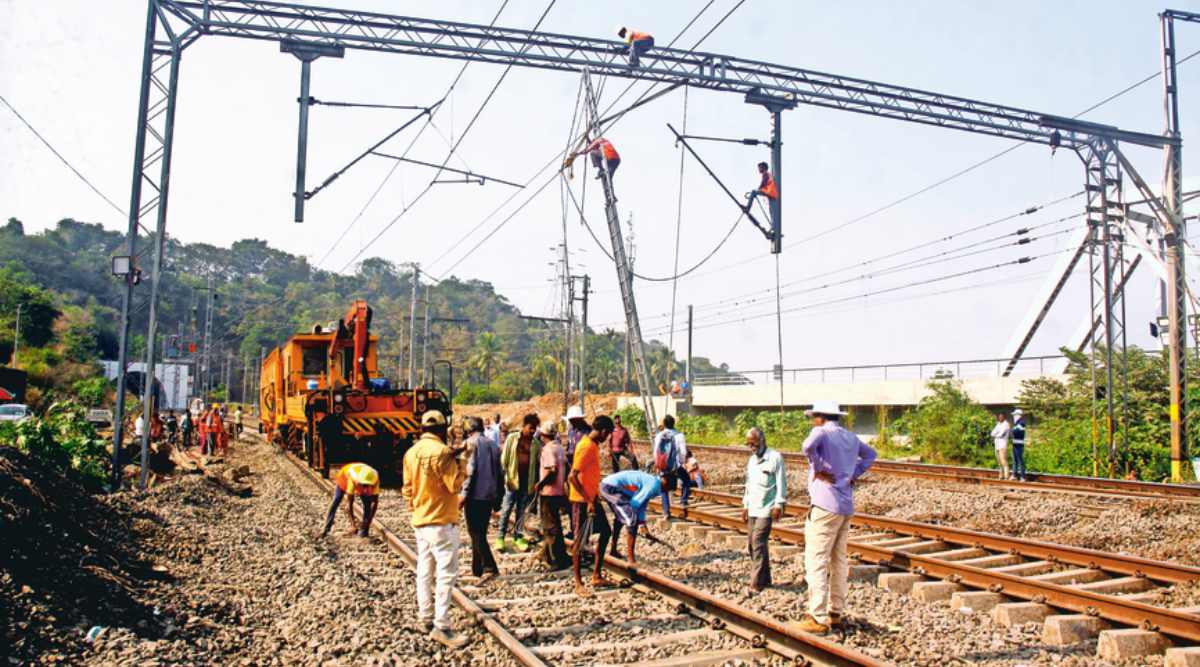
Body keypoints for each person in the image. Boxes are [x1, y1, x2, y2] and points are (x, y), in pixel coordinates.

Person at [798, 401, 877, 635]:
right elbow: (871, 455)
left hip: (824, 505)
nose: (813, 421)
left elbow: (807, 446)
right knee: (839, 560)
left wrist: (817, 467)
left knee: (816, 560)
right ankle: (836, 612)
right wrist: (853, 474)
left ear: (821, 417)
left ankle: (817, 616)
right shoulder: (851, 437)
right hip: (845, 506)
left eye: (815, 417)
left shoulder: (821, 432)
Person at [402, 409, 470, 649]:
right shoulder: (443, 452)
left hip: (420, 521)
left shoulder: (411, 453)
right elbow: (454, 486)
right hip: (441, 521)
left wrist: (416, 508)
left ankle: (425, 618)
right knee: (446, 574)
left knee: (424, 570)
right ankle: (442, 626)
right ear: (442, 429)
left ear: (423, 428)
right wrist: (462, 461)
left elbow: (407, 489)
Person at [570, 414, 615, 597]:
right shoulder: (586, 446)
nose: (607, 438)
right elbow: (572, 477)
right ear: (603, 431)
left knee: (606, 532)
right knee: (580, 541)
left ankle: (596, 575)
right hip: (582, 501)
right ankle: (578, 583)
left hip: (591, 499)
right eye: (608, 434)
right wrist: (588, 500)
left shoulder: (593, 445)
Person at [740, 427, 786, 594]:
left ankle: (756, 583)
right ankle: (765, 579)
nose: (752, 447)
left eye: (754, 444)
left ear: (762, 441)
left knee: (758, 542)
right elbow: (748, 485)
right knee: (752, 545)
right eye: (749, 444)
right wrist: (745, 505)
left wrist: (779, 504)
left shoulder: (775, 457)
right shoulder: (752, 461)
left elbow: (781, 483)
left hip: (767, 508)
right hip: (753, 507)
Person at [459, 417, 502, 583]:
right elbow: (500, 472)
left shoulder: (470, 444)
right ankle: (477, 568)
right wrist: (499, 496)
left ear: (469, 429)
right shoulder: (493, 444)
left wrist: (464, 494)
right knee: (480, 532)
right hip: (489, 495)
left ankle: (490, 567)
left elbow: (469, 471)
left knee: (475, 532)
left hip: (475, 495)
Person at [497, 414, 542, 553]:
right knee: (506, 509)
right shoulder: (512, 438)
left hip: (526, 482)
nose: (532, 431)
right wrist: (506, 477)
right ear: (524, 426)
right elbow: (504, 459)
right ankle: (500, 537)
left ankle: (518, 537)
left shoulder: (536, 444)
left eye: (535, 428)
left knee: (521, 511)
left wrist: (535, 483)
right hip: (512, 480)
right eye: (530, 428)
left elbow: (537, 464)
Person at [598, 469, 661, 563]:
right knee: (632, 520)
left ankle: (613, 551)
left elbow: (643, 503)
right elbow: (635, 503)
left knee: (620, 519)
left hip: (612, 486)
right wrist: (635, 519)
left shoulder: (654, 483)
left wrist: (642, 523)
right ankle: (631, 559)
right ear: (666, 482)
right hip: (611, 488)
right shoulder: (655, 485)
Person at [536, 421, 571, 570]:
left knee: (550, 526)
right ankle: (551, 554)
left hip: (548, 493)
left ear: (543, 435)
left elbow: (552, 470)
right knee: (556, 524)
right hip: (559, 491)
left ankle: (556, 560)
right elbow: (567, 468)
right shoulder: (560, 448)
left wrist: (540, 484)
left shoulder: (548, 449)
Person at [321, 462, 380, 538]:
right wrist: (353, 525)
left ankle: (364, 532)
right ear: (359, 483)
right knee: (337, 499)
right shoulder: (352, 480)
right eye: (365, 486)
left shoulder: (375, 479)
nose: (366, 489)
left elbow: (375, 503)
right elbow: (349, 505)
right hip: (344, 476)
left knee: (367, 504)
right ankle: (326, 529)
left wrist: (368, 522)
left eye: (368, 485)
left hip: (361, 474)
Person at [653, 415, 692, 519]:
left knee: (664, 488)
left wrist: (658, 464)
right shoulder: (679, 435)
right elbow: (683, 451)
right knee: (686, 480)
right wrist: (682, 462)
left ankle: (666, 512)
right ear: (674, 423)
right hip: (675, 466)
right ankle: (683, 501)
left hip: (663, 465)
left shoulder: (659, 435)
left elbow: (656, 451)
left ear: (664, 424)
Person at [990, 413, 1011, 480]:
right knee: (999, 462)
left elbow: (1001, 434)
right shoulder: (998, 424)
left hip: (1003, 445)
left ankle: (1006, 476)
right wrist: (996, 434)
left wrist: (996, 434)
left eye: (1001, 417)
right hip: (997, 445)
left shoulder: (1006, 424)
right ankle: (1001, 476)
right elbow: (992, 433)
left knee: (1004, 461)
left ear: (1004, 417)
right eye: (999, 417)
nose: (1000, 418)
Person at [1011, 409, 1028, 481]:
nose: (1013, 417)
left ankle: (1022, 476)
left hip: (1019, 445)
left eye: (1014, 415)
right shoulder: (1016, 423)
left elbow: (1015, 432)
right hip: (1015, 444)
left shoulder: (1021, 423)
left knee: (1020, 460)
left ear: (1018, 415)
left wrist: (1012, 431)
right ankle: (1014, 475)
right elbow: (1013, 432)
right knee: (1015, 460)